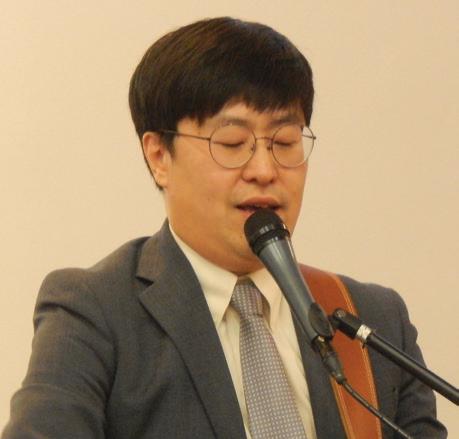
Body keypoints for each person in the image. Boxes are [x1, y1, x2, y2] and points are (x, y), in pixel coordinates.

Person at [3, 17, 447, 439]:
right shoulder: (94, 314)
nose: (264, 170)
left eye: (285, 142)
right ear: (159, 156)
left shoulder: (370, 318)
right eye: (233, 143)